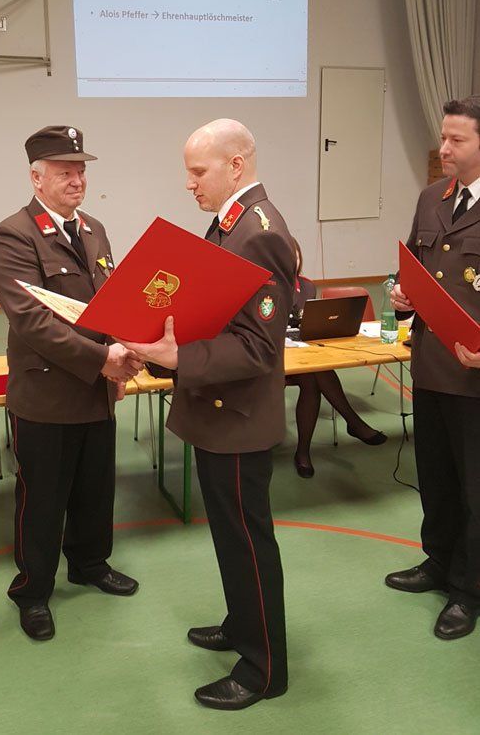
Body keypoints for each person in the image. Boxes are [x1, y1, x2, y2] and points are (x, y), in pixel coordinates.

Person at [121, 119, 294, 711]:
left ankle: (264, 668)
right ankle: (242, 624)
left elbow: (259, 347)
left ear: (236, 165)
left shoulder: (259, 233)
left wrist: (180, 358)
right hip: (219, 410)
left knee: (248, 543)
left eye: (198, 171)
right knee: (229, 536)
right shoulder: (230, 225)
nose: (189, 183)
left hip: (239, 417)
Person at [0, 125, 141, 642]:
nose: (77, 180)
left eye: (80, 171)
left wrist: (120, 355)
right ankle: (32, 591)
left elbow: (111, 301)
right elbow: (34, 322)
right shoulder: (14, 235)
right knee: (43, 501)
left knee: (95, 488)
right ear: (37, 178)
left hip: (96, 389)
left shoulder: (94, 229)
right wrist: (103, 360)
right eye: (64, 172)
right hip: (48, 395)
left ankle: (90, 563)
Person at [386, 95, 480, 640]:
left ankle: (469, 589)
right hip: (431, 366)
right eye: (443, 137)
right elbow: (418, 270)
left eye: (456, 139)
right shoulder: (431, 198)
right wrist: (402, 295)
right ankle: (439, 560)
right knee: (437, 476)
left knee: (475, 489)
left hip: (474, 377)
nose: (443, 148)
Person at [287, 238, 386, 478]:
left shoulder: (307, 286)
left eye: (296, 256)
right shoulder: (269, 287)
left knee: (313, 377)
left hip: (304, 353)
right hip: (277, 358)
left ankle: (303, 453)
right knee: (316, 373)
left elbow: (309, 319)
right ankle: (353, 423)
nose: (293, 261)